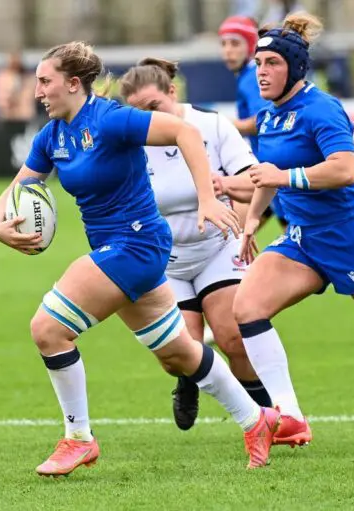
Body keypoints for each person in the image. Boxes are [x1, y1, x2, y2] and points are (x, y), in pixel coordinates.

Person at [0, 41, 281, 476]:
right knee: (179, 353)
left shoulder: (110, 120)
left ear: (73, 84)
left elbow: (184, 133)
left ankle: (78, 439)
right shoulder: (51, 136)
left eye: (45, 82)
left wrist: (206, 197)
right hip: (115, 251)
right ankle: (255, 419)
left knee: (47, 329)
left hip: (137, 245)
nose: (37, 92)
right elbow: (18, 188)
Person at [234, 12, 354, 448]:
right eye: (258, 65)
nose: (262, 73)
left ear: (296, 69)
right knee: (247, 307)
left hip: (348, 236)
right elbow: (268, 174)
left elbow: (344, 169)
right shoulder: (269, 116)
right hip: (304, 238)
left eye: (272, 65)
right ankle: (291, 417)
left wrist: (283, 180)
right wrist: (250, 222)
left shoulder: (321, 109)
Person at [119, 57, 274, 432]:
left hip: (217, 249)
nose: (149, 119)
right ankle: (187, 383)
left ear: (173, 92)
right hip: (165, 259)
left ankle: (272, 420)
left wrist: (237, 215)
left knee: (232, 337)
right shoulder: (128, 139)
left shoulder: (211, 125)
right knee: (178, 354)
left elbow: (252, 181)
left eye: (155, 107)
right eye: (139, 113)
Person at [218, 15, 288, 231]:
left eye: (235, 43)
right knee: (234, 236)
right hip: (267, 171)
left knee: (304, 246)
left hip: (275, 171)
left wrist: (226, 125)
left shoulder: (252, 77)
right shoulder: (247, 76)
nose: (228, 50)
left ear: (250, 46)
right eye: (224, 44)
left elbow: (265, 120)